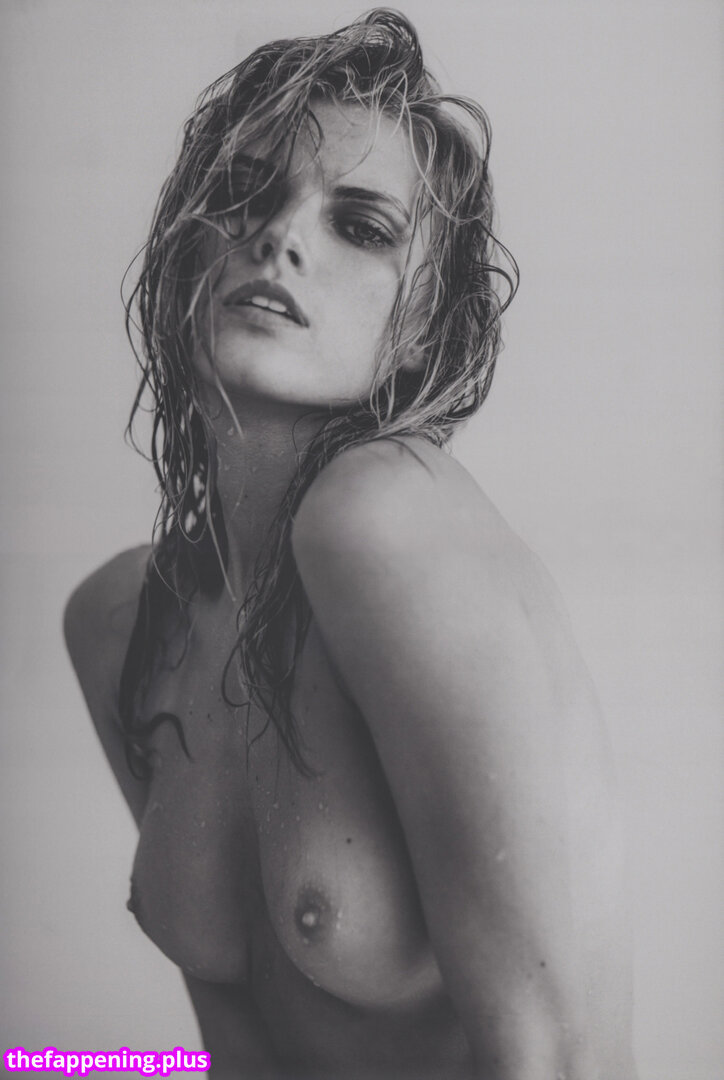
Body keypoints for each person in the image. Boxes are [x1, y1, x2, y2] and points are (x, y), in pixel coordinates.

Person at [64, 10, 637, 1078]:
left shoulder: (378, 521)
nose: (279, 236)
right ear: (186, 245)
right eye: (244, 193)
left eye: (362, 227)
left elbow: (561, 1059)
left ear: (421, 330)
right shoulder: (119, 621)